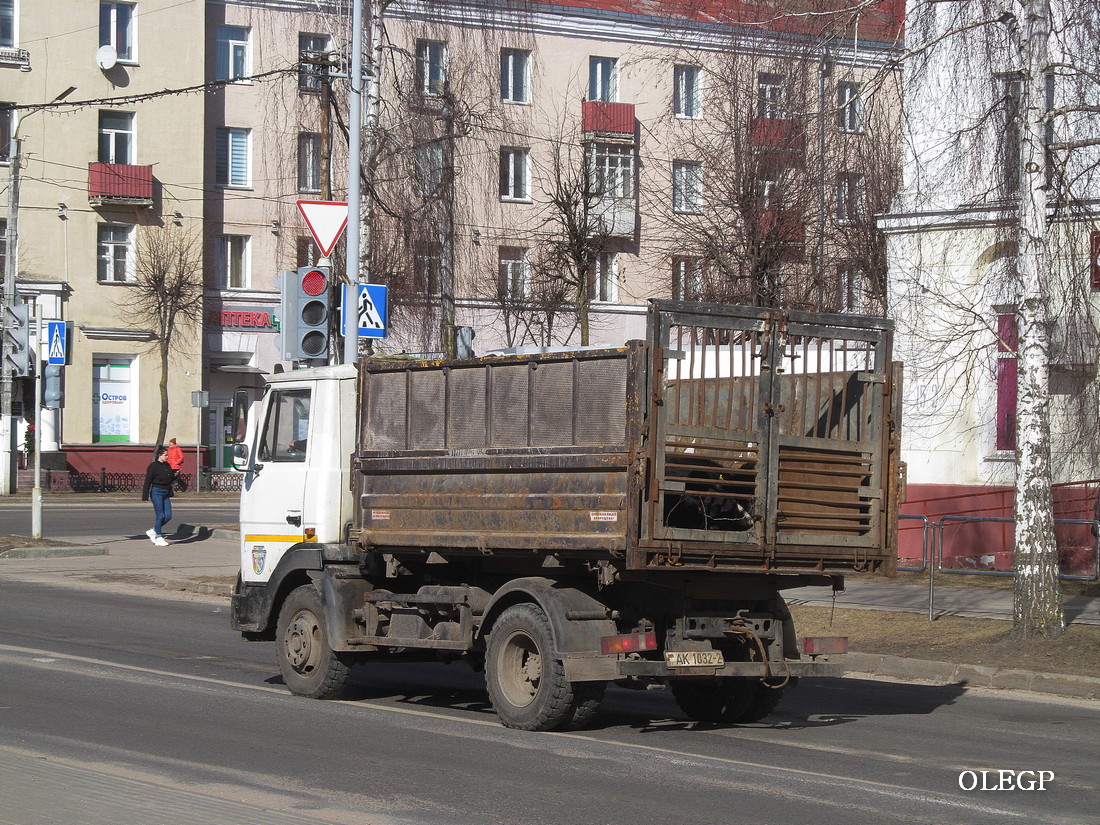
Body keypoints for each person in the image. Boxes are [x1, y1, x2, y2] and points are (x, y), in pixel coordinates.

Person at [142, 446, 177, 546]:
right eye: (165, 455)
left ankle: (153, 530)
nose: (167, 457)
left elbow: (170, 479)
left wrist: (175, 475)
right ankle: (158, 537)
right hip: (157, 492)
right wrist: (145, 496)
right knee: (160, 515)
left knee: (168, 516)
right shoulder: (153, 466)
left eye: (167, 455)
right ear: (159, 455)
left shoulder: (167, 466)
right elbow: (148, 481)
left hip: (166, 493)